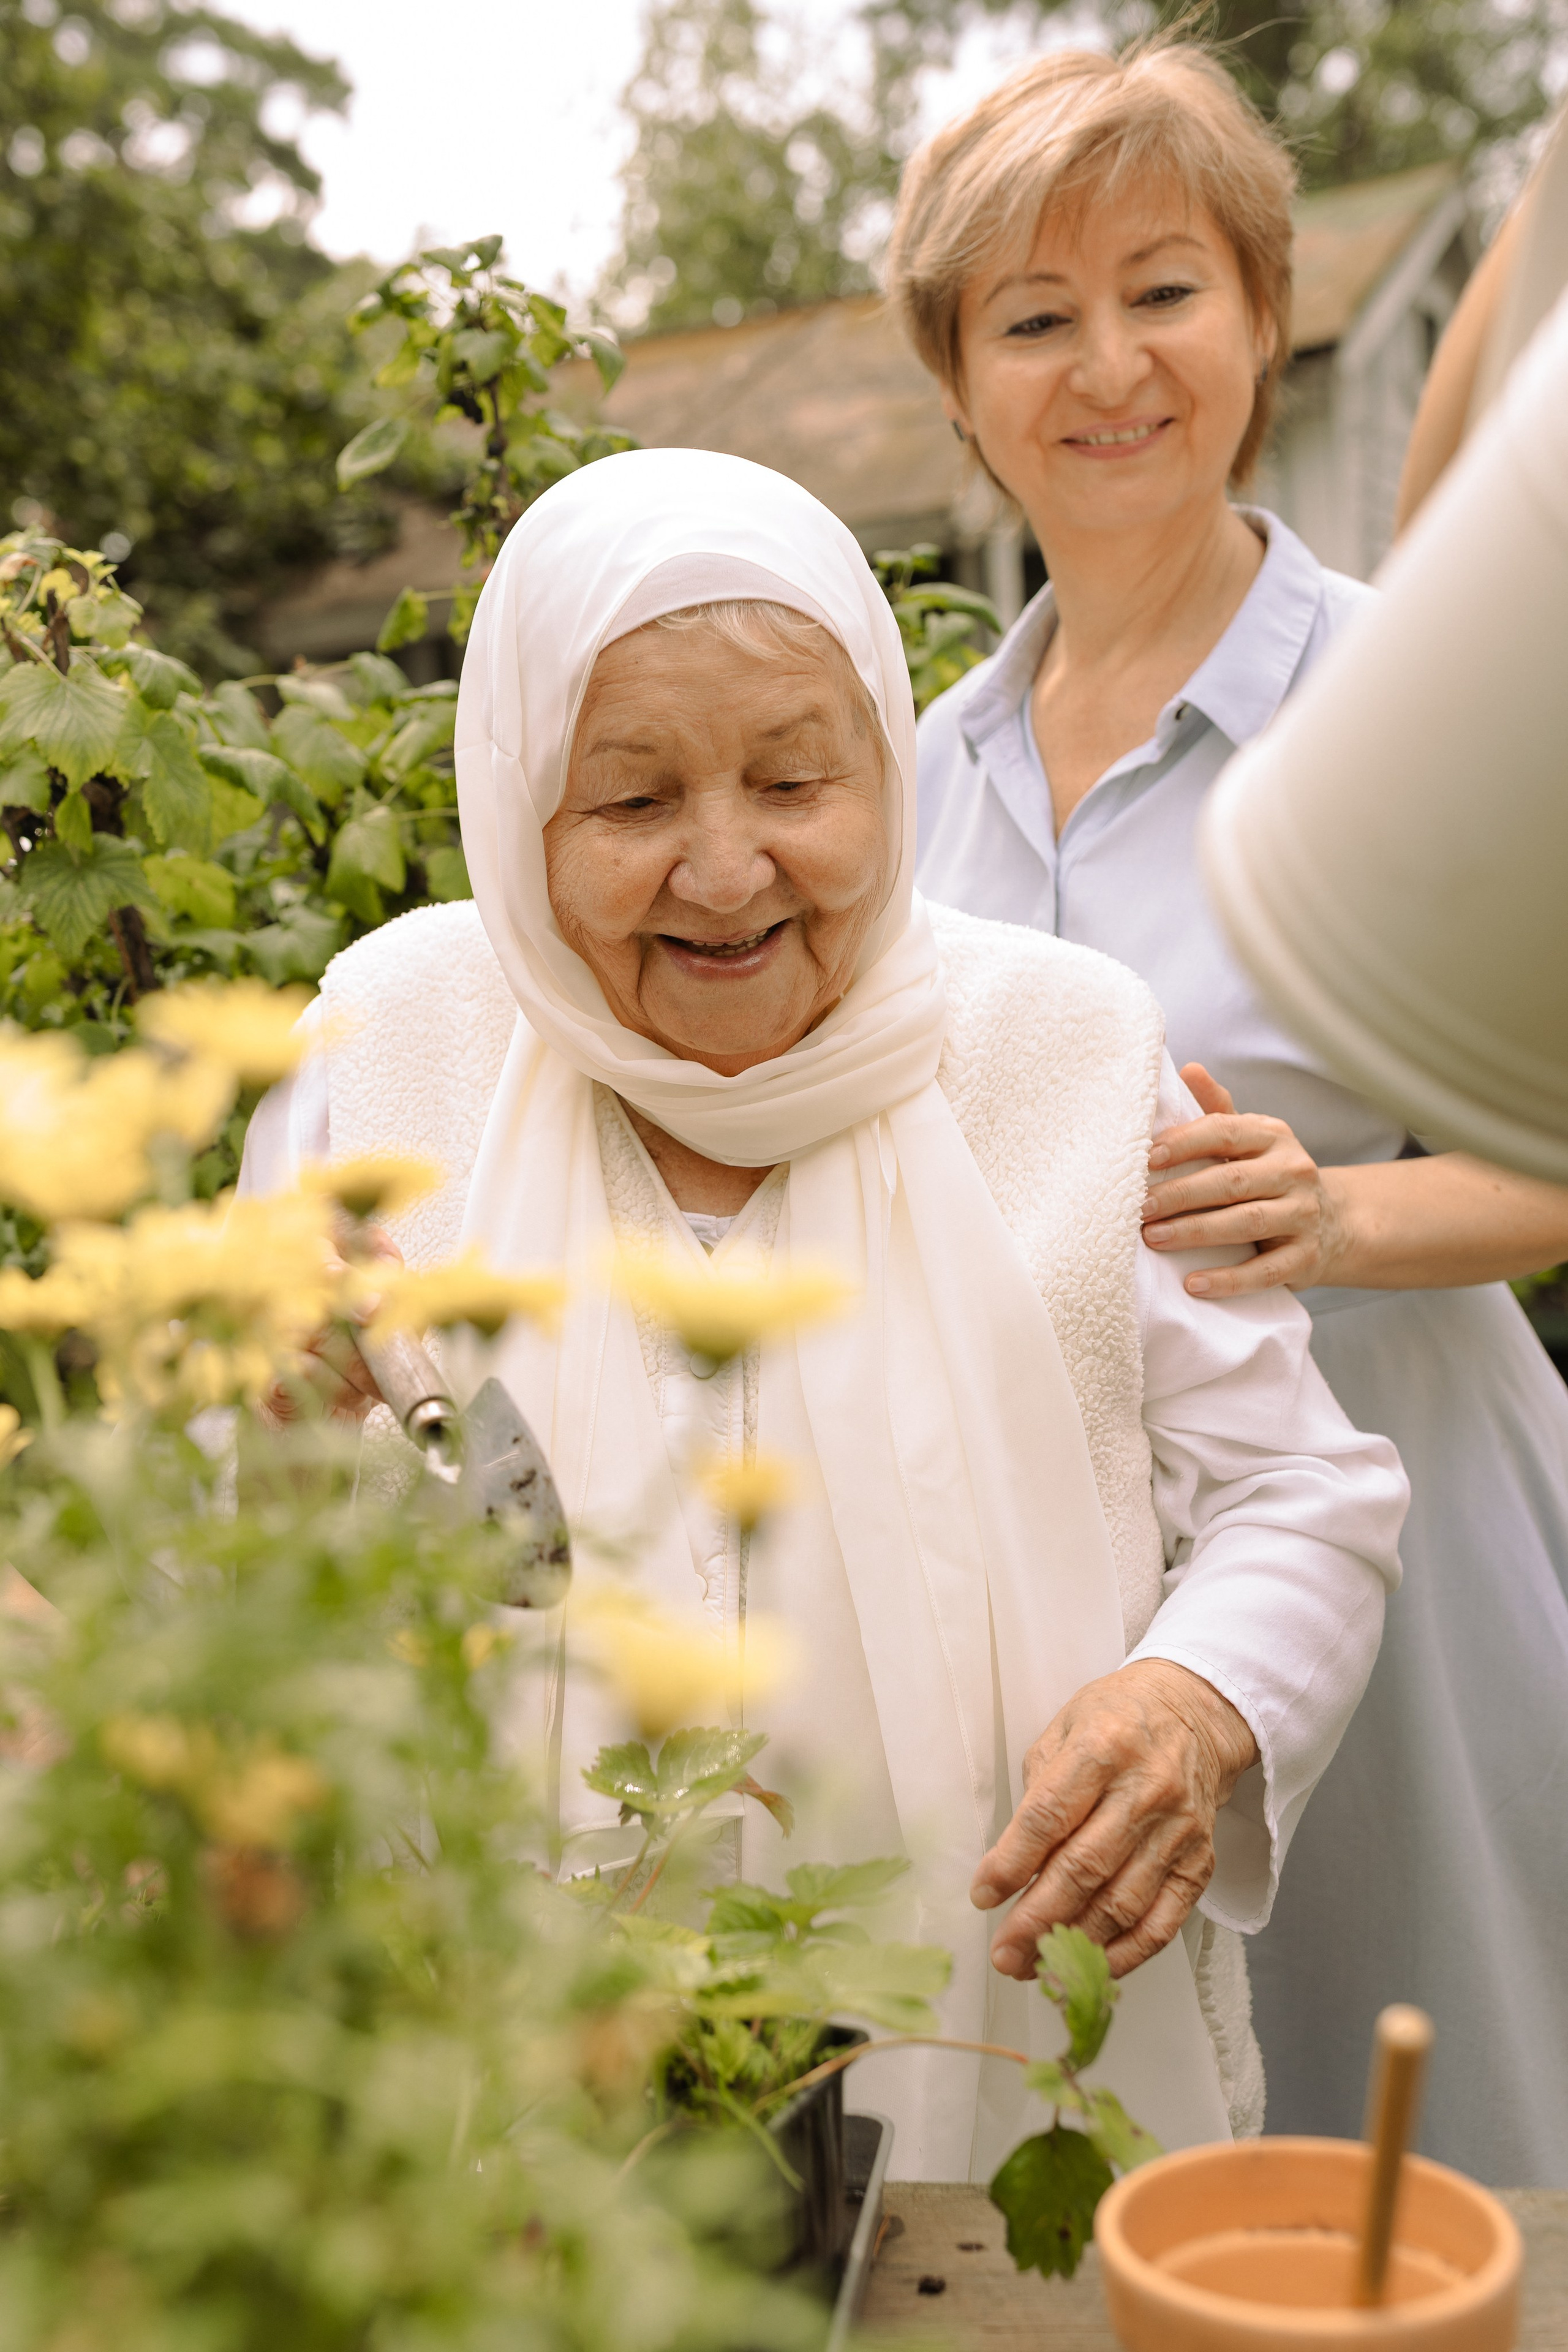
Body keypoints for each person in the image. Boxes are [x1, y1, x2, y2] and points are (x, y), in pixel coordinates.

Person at [239, 445, 1403, 2183]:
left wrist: (1194, 1696)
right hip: (493, 2063)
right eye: (631, 803)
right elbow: (219, 1536)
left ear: (887, 758)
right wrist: (267, 1408)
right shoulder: (392, 1053)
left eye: (796, 778)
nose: (726, 873)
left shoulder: (1070, 1056)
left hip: (984, 2020)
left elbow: (1297, 1491)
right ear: (516, 804)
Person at [894, 39, 1568, 2184]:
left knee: (1437, 2139)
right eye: (1035, 316)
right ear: (959, 384)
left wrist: (1346, 1217)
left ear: (1266, 315)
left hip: (1400, 1521)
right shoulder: (913, 778)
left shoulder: (1418, 694)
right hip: (1061, 1579)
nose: (1112, 367)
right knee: (1120, 2151)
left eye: (1165, 290)